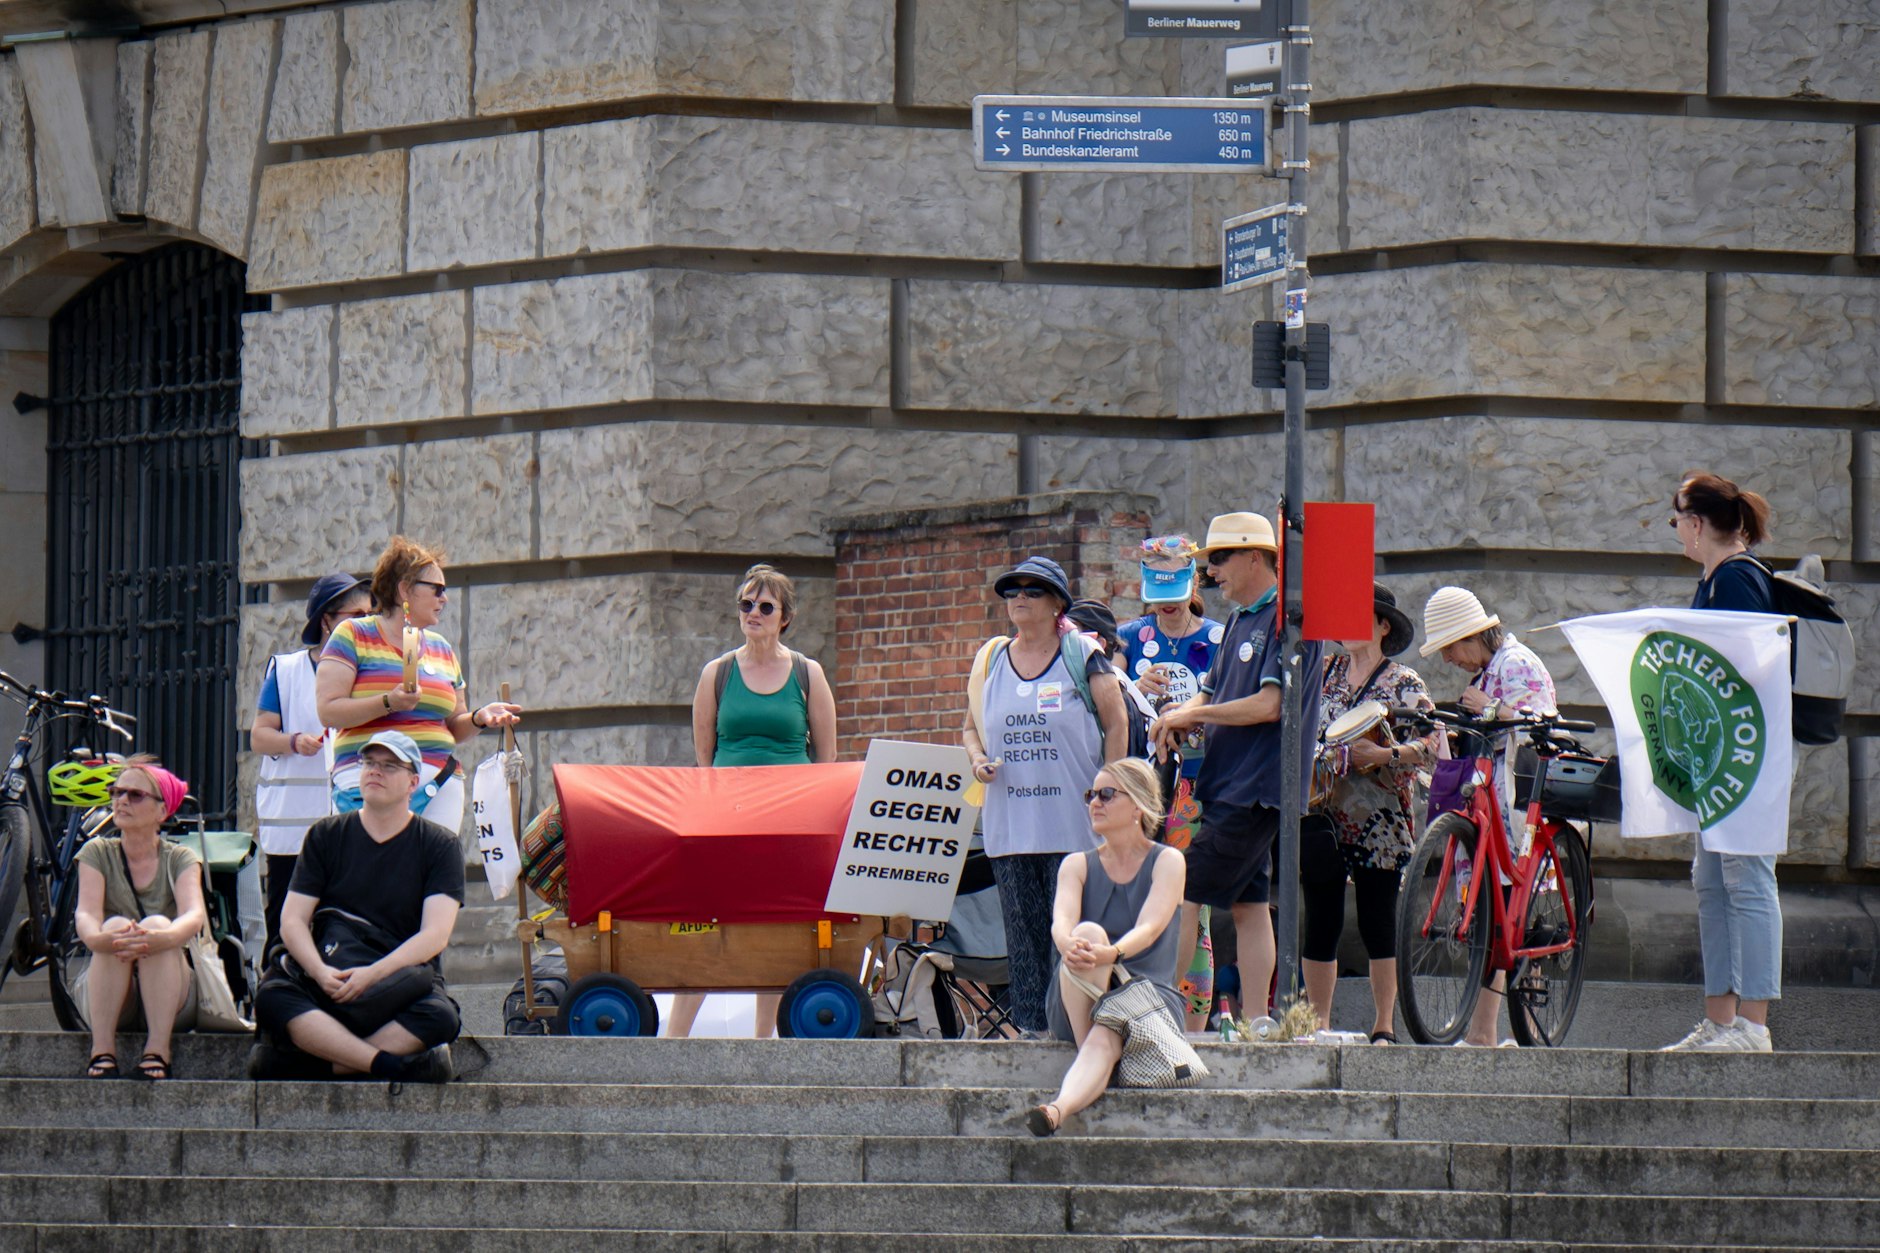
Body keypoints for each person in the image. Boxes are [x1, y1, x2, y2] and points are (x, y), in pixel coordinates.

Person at [1152, 512, 1323, 1025]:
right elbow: (1213, 690)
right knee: (1249, 907)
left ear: (1256, 556)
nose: (1211, 573)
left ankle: (1153, 1010)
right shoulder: (1241, 620)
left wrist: (1195, 713)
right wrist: (1181, 715)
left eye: (1219, 559)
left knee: (1183, 890)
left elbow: (1271, 705)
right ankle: (1258, 1021)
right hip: (1232, 783)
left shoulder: (1288, 622)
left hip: (1256, 787)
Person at [963, 555, 1128, 1036]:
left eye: (1032, 591)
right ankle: (1033, 1036)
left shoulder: (1081, 654)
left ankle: (1076, 1033)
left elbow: (1116, 721)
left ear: (1057, 603)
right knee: (1024, 942)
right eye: (1012, 591)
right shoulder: (992, 659)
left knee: (1073, 939)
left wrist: (1110, 787)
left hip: (1072, 826)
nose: (1019, 599)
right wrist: (977, 760)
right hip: (1010, 827)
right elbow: (970, 728)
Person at [672, 563, 838, 1039]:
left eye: (766, 606)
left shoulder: (808, 673)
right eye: (747, 604)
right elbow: (704, 757)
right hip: (728, 819)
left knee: (779, 925)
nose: (754, 614)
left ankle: (765, 1036)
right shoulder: (717, 673)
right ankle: (675, 1036)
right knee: (710, 921)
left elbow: (827, 759)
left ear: (785, 616)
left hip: (792, 821)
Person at [252, 730, 465, 1082]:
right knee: (272, 997)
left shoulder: (439, 845)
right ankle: (389, 1065)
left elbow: (435, 935)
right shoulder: (326, 834)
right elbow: (291, 920)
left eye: (389, 766)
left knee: (441, 1016)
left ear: (413, 782)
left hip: (395, 979)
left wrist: (374, 974)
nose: (374, 771)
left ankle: (310, 1064)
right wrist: (320, 972)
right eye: (368, 763)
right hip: (328, 970)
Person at [1662, 472, 1782, 1053]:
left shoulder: (1737, 578)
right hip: (1722, 759)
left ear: (1698, 522)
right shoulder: (1716, 580)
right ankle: (1722, 1021)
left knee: (1748, 881)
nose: (1676, 530)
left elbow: (1751, 664)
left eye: (1676, 518)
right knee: (1712, 881)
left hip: (1746, 757)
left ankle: (1752, 1027)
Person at [1301, 583, 1441, 1043]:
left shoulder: (1403, 682)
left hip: (1381, 818)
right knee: (1320, 915)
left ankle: (1384, 1024)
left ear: (1383, 625)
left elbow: (1433, 746)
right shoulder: (1322, 672)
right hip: (1324, 812)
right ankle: (1317, 1023)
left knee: (1377, 917)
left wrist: (1384, 756)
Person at [1420, 584, 1557, 1046]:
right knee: (1489, 918)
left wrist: (1493, 709)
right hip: (1488, 806)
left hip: (1514, 811)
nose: (1448, 660)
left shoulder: (1517, 664)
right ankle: (1483, 1032)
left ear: (1470, 638)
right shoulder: (1490, 669)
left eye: (1449, 649)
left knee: (1511, 917)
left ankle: (1507, 1031)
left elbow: (1541, 726)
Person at [315, 537, 521, 830]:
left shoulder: (441, 648)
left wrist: (479, 718)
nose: (444, 598)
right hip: (372, 784)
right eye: (437, 589)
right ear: (404, 590)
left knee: (431, 873)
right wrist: (388, 703)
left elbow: (453, 725)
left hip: (437, 785)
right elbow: (329, 711)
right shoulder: (353, 635)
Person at [1028, 759, 1185, 1136]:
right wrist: (1073, 946)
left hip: (1147, 997)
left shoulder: (1168, 860)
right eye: (1091, 795)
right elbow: (1061, 923)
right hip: (1080, 996)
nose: (1095, 802)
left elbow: (1149, 927)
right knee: (1088, 932)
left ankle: (1057, 1109)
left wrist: (1111, 955)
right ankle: (1093, 1058)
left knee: (1108, 1024)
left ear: (1138, 806)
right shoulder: (1076, 865)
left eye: (1107, 794)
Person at [1116, 534, 1224, 1030]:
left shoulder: (1220, 639)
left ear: (1194, 580)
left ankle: (1187, 1022)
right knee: (1135, 893)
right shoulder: (1128, 637)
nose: (1164, 602)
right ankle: (1136, 1008)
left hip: (1197, 784)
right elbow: (1106, 704)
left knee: (1189, 903)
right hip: (1141, 785)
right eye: (1156, 588)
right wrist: (1135, 689)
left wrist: (1191, 715)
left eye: (1174, 587)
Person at [251, 572, 371, 962]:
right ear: (327, 620)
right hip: (293, 832)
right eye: (356, 614)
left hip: (347, 825)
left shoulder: (370, 671)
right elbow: (259, 736)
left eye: (370, 614)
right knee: (286, 925)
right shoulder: (286, 672)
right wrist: (292, 741)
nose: (366, 623)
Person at [71, 758, 206, 1079]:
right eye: (116, 792)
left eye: (134, 795)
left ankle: (159, 1050)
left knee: (158, 926)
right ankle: (101, 1050)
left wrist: (165, 937)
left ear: (162, 811)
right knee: (113, 927)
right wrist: (98, 938)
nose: (121, 801)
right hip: (110, 994)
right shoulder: (96, 851)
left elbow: (194, 914)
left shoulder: (181, 857)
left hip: (174, 996)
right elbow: (86, 913)